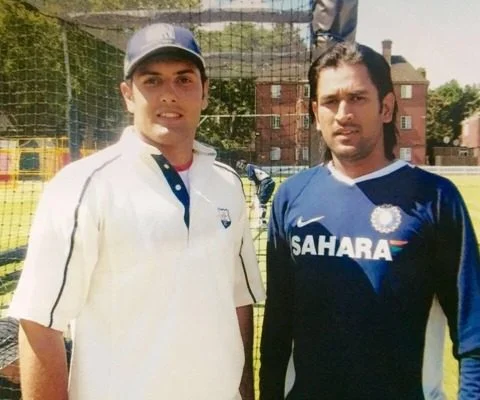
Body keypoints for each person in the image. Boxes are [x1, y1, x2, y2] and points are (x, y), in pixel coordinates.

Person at [9, 23, 265, 400]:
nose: (169, 94)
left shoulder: (227, 184)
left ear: (205, 92)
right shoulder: (81, 186)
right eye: (152, 81)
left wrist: (246, 393)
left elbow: (238, 301)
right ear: (128, 95)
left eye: (184, 79)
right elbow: (39, 323)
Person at [259, 41, 480, 399]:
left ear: (387, 107)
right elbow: (277, 330)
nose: (343, 113)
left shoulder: (437, 199)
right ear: (315, 112)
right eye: (330, 101)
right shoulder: (292, 197)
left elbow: (473, 336)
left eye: (357, 98)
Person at [236, 160, 276, 228]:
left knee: (261, 203)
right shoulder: (252, 167)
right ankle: (262, 221)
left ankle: (262, 222)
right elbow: (257, 183)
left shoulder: (248, 168)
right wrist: (256, 194)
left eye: (240, 166)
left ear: (242, 164)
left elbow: (254, 183)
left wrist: (255, 194)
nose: (240, 168)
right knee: (262, 202)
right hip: (270, 183)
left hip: (266, 183)